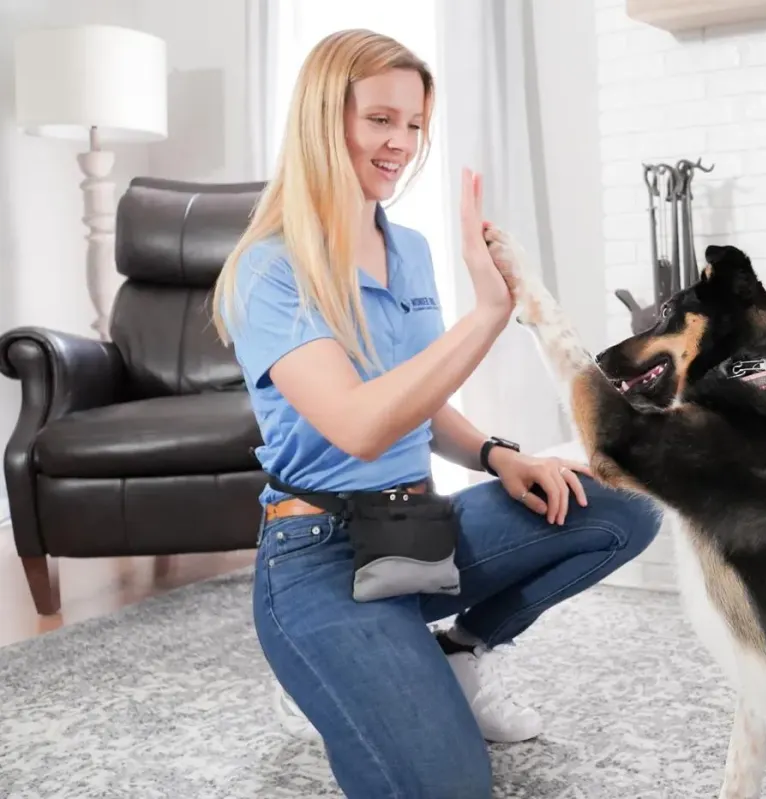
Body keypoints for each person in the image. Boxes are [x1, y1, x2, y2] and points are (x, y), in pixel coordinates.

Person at [211, 28, 661, 798]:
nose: (402, 142)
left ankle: (462, 651)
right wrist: (488, 313)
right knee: (447, 785)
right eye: (380, 119)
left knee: (621, 504)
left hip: (415, 530)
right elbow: (359, 424)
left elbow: (418, 398)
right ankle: (333, 671)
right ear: (324, 118)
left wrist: (499, 455)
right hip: (319, 557)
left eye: (415, 123)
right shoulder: (268, 269)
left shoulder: (410, 249)